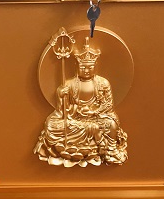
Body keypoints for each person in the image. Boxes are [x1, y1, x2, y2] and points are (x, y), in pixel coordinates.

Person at [34, 38, 128, 167]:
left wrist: (93, 112)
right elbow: (62, 111)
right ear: (77, 66)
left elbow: (108, 106)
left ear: (95, 66)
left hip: (97, 118)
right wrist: (61, 95)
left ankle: (110, 150)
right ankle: (95, 140)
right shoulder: (70, 84)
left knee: (111, 124)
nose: (86, 70)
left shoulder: (103, 83)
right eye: (83, 67)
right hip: (75, 119)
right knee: (51, 124)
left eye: (90, 67)